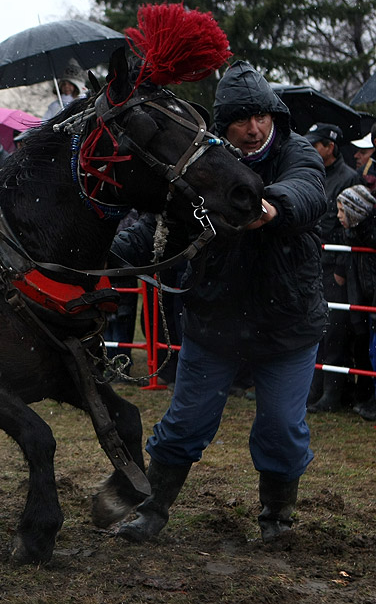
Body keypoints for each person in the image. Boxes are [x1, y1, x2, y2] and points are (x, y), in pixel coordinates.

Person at [112, 60, 327, 545]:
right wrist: (109, 253)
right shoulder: (200, 161)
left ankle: (276, 521)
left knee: (282, 428)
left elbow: (309, 191)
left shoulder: (297, 152)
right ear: (222, 122)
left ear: (275, 116)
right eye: (240, 119)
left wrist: (270, 206)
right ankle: (154, 510)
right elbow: (156, 227)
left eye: (262, 117)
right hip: (216, 321)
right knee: (185, 422)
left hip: (287, 325)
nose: (253, 130)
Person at [306, 123, 363, 412]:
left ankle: (333, 393)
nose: (312, 148)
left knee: (336, 331)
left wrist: (341, 267)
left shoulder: (348, 178)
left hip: (335, 267)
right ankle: (315, 390)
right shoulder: (315, 174)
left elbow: (350, 225)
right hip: (313, 263)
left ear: (330, 147)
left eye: (317, 144)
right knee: (315, 329)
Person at [333, 185, 376, 421]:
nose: (338, 216)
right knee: (363, 349)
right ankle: (363, 395)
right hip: (360, 297)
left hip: (370, 298)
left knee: (373, 351)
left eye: (342, 211)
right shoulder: (351, 232)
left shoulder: (369, 232)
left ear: (355, 211)